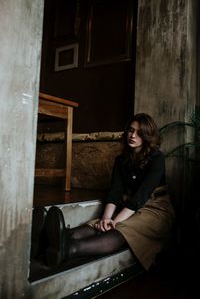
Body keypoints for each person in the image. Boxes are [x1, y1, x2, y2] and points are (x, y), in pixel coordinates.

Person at [31, 113, 175, 271]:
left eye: (139, 133)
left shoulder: (157, 158)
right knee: (98, 225)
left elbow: (142, 196)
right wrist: (106, 218)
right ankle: (45, 240)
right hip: (128, 204)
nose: (133, 136)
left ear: (147, 136)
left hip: (155, 208)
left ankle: (68, 250)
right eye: (130, 130)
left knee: (122, 229)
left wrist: (115, 222)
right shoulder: (121, 160)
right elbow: (115, 192)